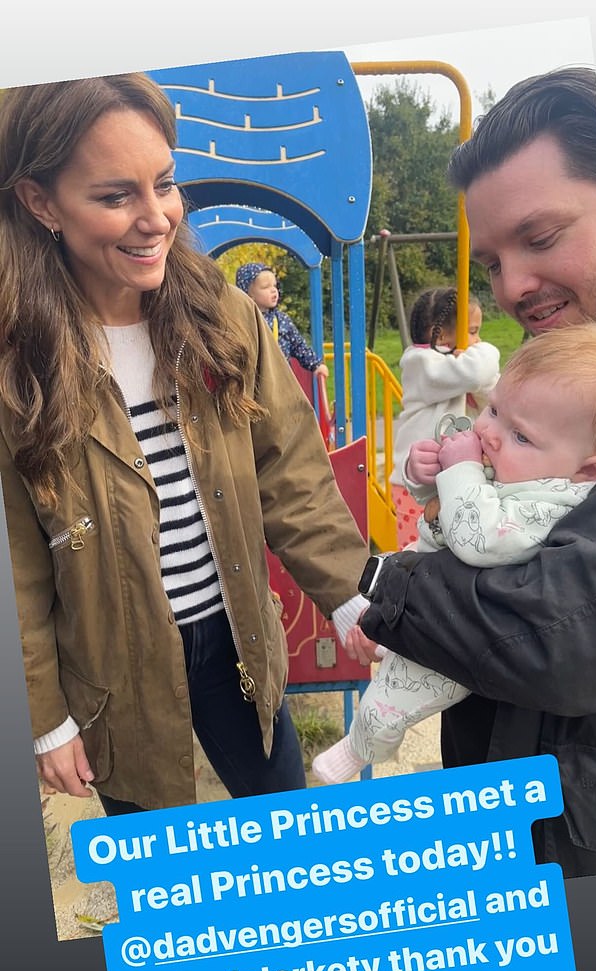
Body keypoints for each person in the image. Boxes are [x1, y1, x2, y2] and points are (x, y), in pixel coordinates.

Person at [0, 73, 370, 815]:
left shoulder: (219, 313)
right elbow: (18, 559)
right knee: (161, 856)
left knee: (286, 823)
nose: (155, 218)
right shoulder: (19, 360)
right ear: (41, 202)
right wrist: (42, 716)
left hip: (237, 636)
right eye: (114, 196)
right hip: (116, 663)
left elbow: (289, 467)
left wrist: (349, 594)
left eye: (164, 184)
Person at [352, 66, 596, 878]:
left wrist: (391, 587)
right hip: (511, 806)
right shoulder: (568, 400)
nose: (511, 286)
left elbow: (555, 631)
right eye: (496, 257)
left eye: (541, 239)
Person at [314, 322, 596, 784]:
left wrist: (460, 469)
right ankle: (385, 652)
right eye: (495, 409)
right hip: (435, 590)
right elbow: (447, 511)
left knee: (396, 692)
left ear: (587, 472)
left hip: (472, 631)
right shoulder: (531, 470)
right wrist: (427, 477)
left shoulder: (555, 504)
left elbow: (478, 538)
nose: (490, 434)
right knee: (395, 653)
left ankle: (362, 744)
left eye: (520, 436)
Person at [390, 286, 500, 549]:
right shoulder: (420, 363)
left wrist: (481, 383)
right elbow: (476, 372)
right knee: (415, 557)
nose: (477, 340)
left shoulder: (453, 371)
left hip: (456, 482)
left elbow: (495, 394)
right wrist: (484, 351)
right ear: (439, 336)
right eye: (473, 332)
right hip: (416, 489)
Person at [235, 261, 330, 383]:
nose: (273, 290)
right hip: (254, 380)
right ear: (248, 294)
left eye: (275, 286)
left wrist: (316, 365)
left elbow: (298, 346)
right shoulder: (242, 320)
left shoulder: (281, 320)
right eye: (265, 287)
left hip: (281, 379)